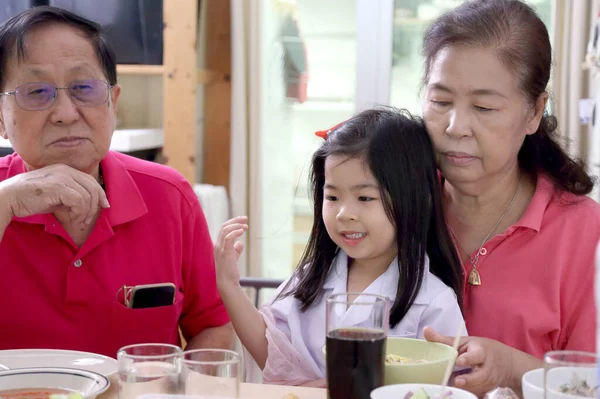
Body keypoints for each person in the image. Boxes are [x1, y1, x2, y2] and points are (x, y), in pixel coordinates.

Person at [0, 6, 233, 358]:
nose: (65, 113)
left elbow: (213, 326)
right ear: (1, 120)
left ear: (113, 103)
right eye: (36, 92)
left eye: (83, 88)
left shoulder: (170, 196)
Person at [420, 0, 600, 395]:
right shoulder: (395, 203)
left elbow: (594, 383)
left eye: (483, 107)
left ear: (535, 111)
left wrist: (512, 367)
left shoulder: (586, 233)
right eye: (440, 101)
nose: (456, 126)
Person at [214, 108, 465, 386]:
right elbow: (272, 355)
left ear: (415, 200)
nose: (344, 213)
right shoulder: (309, 278)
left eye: (365, 198)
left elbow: (445, 388)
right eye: (332, 196)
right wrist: (228, 285)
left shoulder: (434, 300)